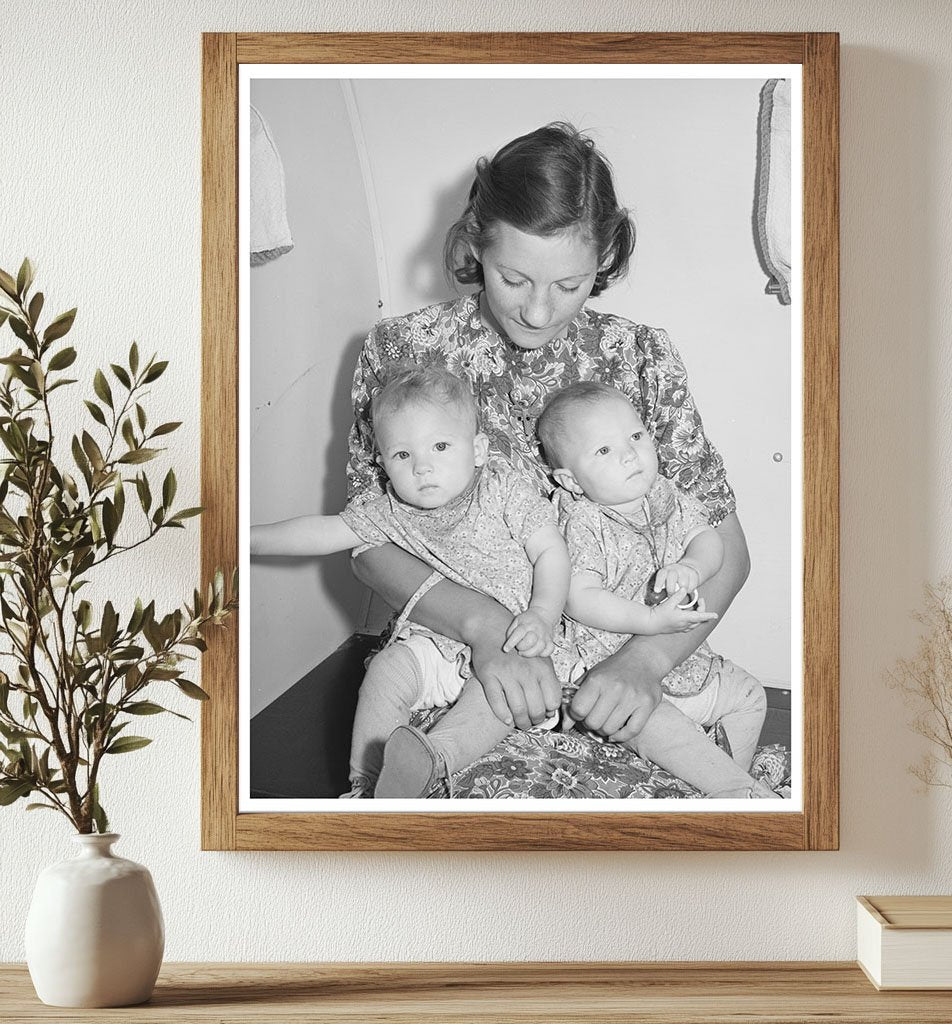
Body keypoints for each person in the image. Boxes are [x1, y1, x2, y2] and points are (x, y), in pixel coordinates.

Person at [347, 121, 752, 774]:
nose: (539, 311)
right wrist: (484, 630)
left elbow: (729, 552)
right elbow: (366, 543)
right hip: (454, 658)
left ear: (607, 255)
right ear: (477, 241)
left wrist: (642, 664)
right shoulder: (402, 352)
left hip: (615, 668)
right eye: (514, 279)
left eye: (571, 285)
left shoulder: (642, 357)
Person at [252, 366, 571, 796]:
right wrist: (246, 539)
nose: (423, 467)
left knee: (496, 698)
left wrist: (543, 615)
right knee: (387, 670)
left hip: (513, 645)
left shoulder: (503, 489)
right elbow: (320, 532)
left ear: (477, 450)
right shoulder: (387, 511)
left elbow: (551, 552)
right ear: (383, 463)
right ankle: (366, 783)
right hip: (435, 644)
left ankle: (432, 761)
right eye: (403, 455)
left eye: (440, 446)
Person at [538, 381, 777, 798]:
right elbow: (578, 597)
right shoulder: (582, 521)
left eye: (635, 436)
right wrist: (649, 620)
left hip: (679, 661)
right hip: (606, 665)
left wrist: (692, 566)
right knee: (652, 719)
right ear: (571, 480)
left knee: (750, 695)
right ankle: (733, 792)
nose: (630, 454)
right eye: (604, 451)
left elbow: (709, 540)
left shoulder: (665, 495)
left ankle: (729, 773)